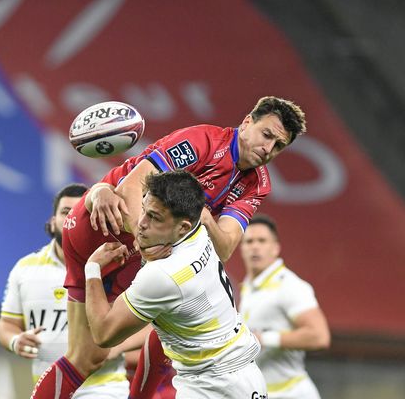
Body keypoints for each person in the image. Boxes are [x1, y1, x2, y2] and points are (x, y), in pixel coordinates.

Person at [31, 96, 307, 399]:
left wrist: (202, 218)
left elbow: (225, 247)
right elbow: (130, 189)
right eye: (266, 135)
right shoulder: (203, 141)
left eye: (278, 146)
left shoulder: (257, 183)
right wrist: (145, 245)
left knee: (95, 355)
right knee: (108, 344)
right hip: (102, 226)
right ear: (247, 123)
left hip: (137, 241)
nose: (268, 149)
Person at [85, 170, 267, 398]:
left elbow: (104, 334)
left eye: (155, 217)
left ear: (182, 226)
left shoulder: (162, 275)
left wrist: (92, 269)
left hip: (213, 387)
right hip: (243, 375)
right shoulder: (199, 232)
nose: (140, 223)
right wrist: (100, 190)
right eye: (144, 209)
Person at [0, 183, 130, 398]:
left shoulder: (116, 262)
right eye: (66, 212)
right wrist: (16, 341)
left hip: (103, 387)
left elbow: (150, 322)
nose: (72, 219)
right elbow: (7, 324)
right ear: (52, 222)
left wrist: (111, 346)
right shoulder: (25, 268)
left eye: (79, 213)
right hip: (52, 387)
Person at [239, 214, 330, 398]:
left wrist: (264, 339)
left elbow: (319, 337)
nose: (255, 246)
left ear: (275, 248)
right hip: (263, 393)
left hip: (292, 392)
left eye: (262, 241)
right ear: (241, 248)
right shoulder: (248, 286)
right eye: (249, 241)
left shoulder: (290, 286)